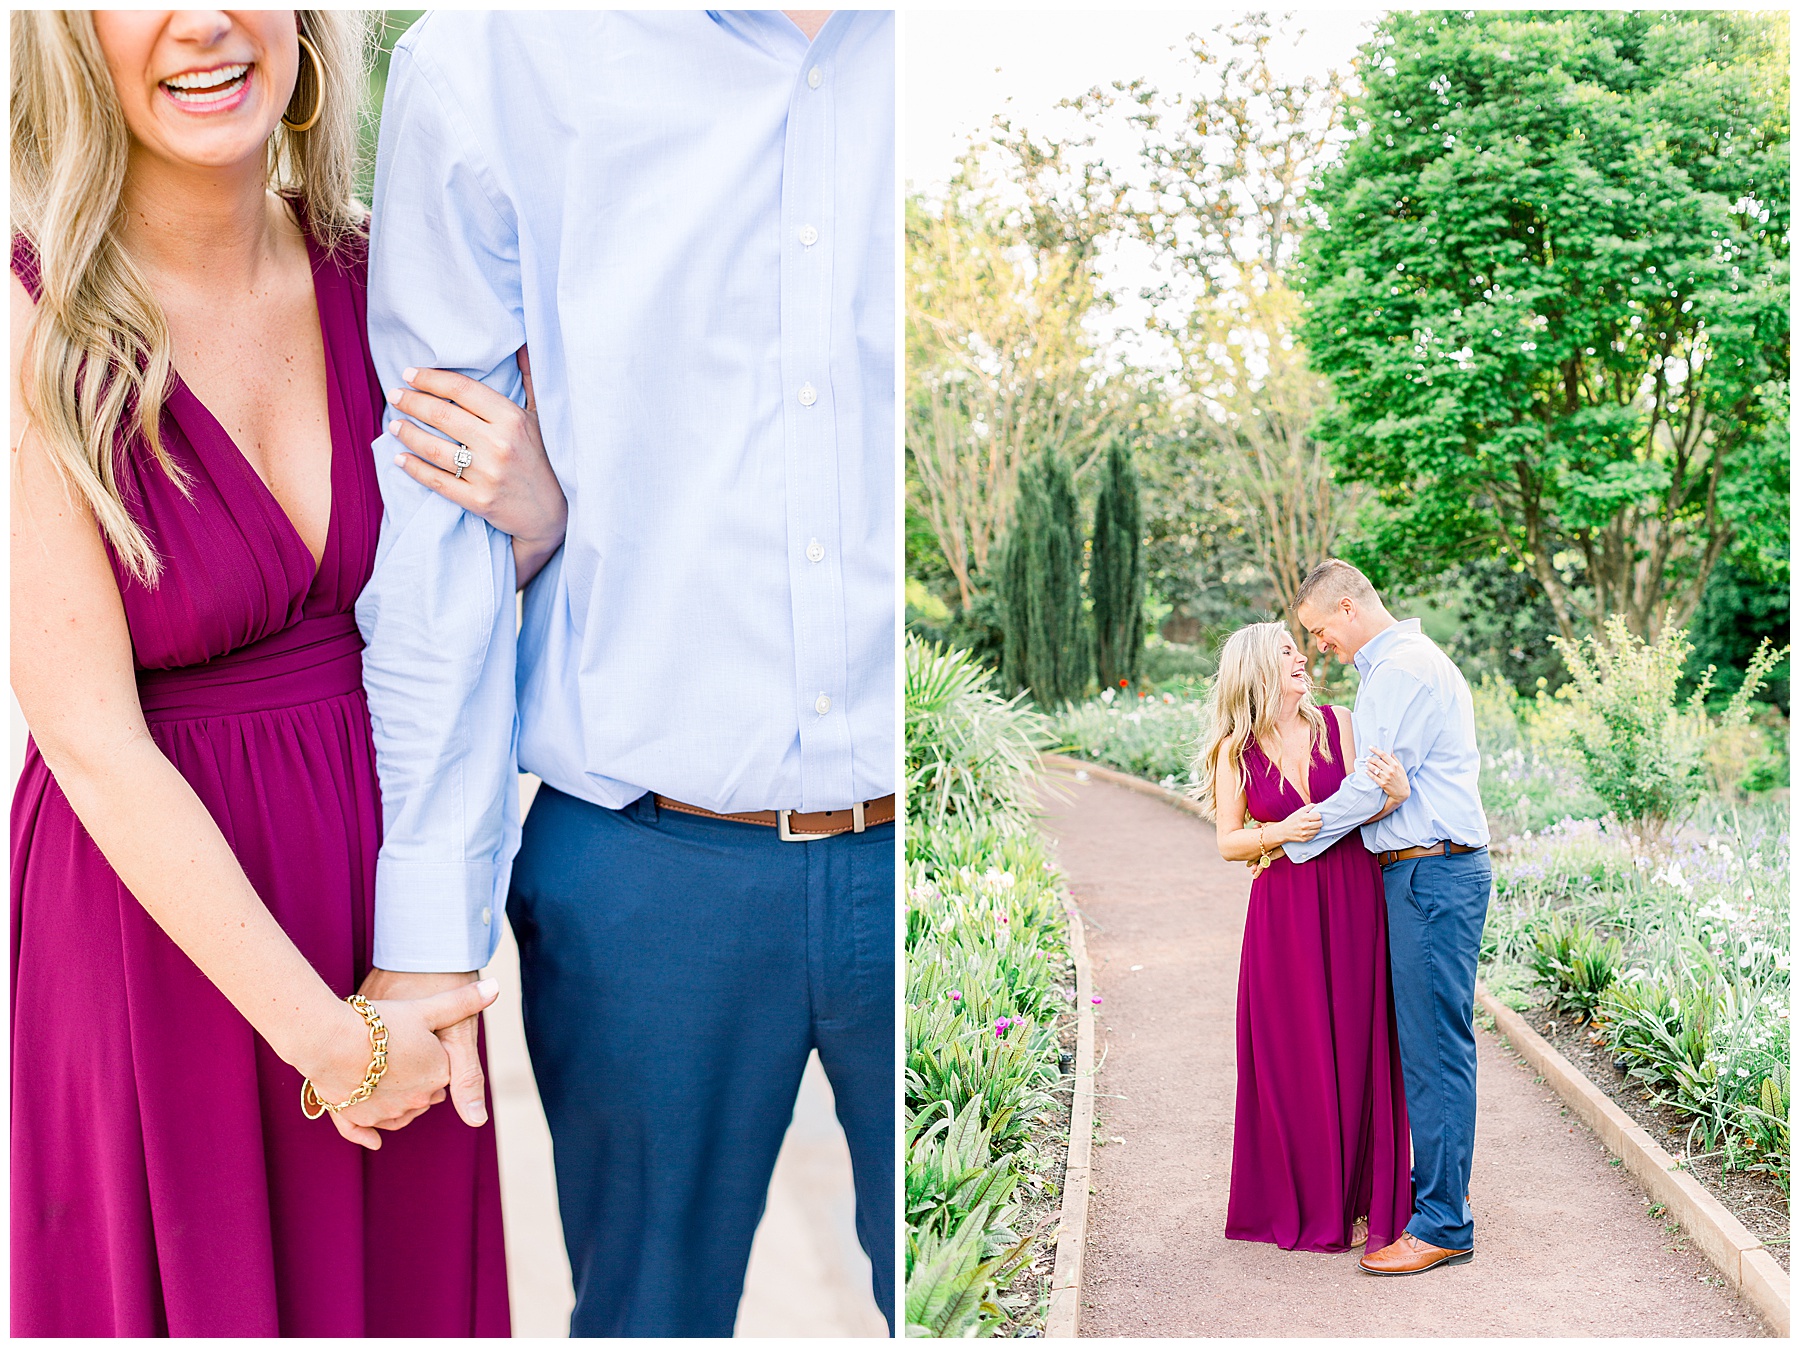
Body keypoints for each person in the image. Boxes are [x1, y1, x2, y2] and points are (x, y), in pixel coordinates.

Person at [10, 11, 566, 1334]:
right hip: (162, 940)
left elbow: (459, 619)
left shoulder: (394, 277)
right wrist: (328, 1039)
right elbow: (86, 731)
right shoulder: (29, 318)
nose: (205, 22)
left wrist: (535, 522)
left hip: (401, 936)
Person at [357, 10, 896, 1337]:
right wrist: (428, 936)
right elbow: (439, 511)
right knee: (644, 1320)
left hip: (930, 853)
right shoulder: (492, 56)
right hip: (646, 868)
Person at [1285, 558, 1492, 1276]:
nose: (1317, 649)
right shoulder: (1393, 668)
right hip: (1424, 873)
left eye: (1317, 631)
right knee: (1426, 1050)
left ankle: (1442, 1225)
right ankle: (1434, 1199)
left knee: (1435, 1053)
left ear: (1347, 608)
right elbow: (1382, 789)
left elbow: (1372, 792)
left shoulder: (1401, 669)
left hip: (1431, 873)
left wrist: (1291, 840)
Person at [1196, 622, 1415, 1255]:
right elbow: (1227, 842)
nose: (1303, 658)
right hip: (1282, 914)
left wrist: (1395, 796)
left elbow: (1365, 805)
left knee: (1355, 1042)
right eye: (1288, 651)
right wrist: (1279, 832)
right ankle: (1307, 1201)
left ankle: (1359, 1199)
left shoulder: (1341, 723)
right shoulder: (1233, 753)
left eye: (1300, 648)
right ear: (1259, 668)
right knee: (1294, 1053)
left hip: (1352, 898)